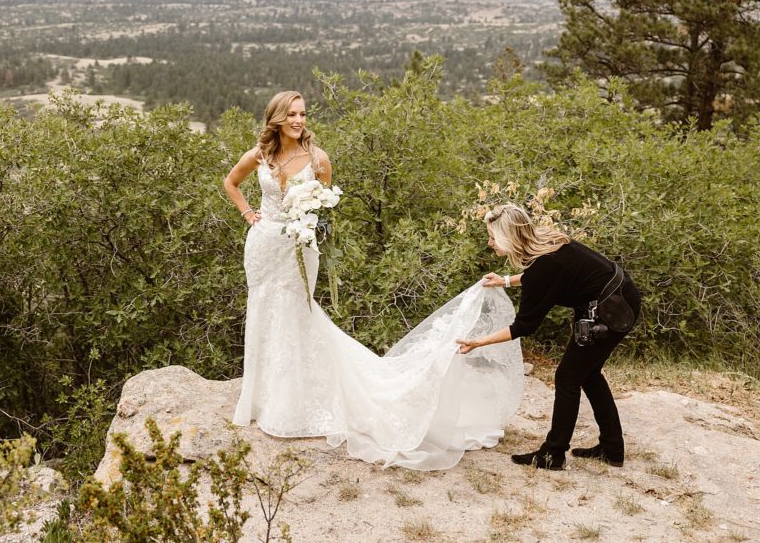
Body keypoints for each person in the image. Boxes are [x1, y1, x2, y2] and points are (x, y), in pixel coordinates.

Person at [224, 91, 525, 470]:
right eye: (292, 115)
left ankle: (295, 401)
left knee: (297, 313)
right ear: (277, 119)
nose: (299, 121)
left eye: (303, 114)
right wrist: (249, 214)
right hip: (265, 244)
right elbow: (230, 183)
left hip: (300, 248)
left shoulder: (318, 160)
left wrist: (311, 229)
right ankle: (261, 397)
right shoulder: (260, 155)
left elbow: (326, 208)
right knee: (264, 311)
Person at [456, 203, 640, 470]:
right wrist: (506, 281)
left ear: (508, 237)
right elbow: (542, 277)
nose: (490, 242)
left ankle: (553, 454)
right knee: (587, 374)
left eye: (493, 237)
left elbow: (524, 326)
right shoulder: (545, 241)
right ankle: (612, 448)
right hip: (616, 297)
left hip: (613, 309)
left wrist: (477, 342)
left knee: (568, 376)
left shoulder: (545, 263)